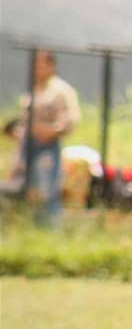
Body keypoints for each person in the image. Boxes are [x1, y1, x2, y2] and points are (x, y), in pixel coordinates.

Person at [21, 51, 82, 227]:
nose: (37, 69)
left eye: (41, 64)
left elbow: (70, 119)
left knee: (48, 190)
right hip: (30, 145)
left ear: (51, 65)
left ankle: (51, 230)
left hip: (48, 146)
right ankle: (33, 229)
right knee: (32, 191)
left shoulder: (61, 90)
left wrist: (50, 131)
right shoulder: (33, 90)